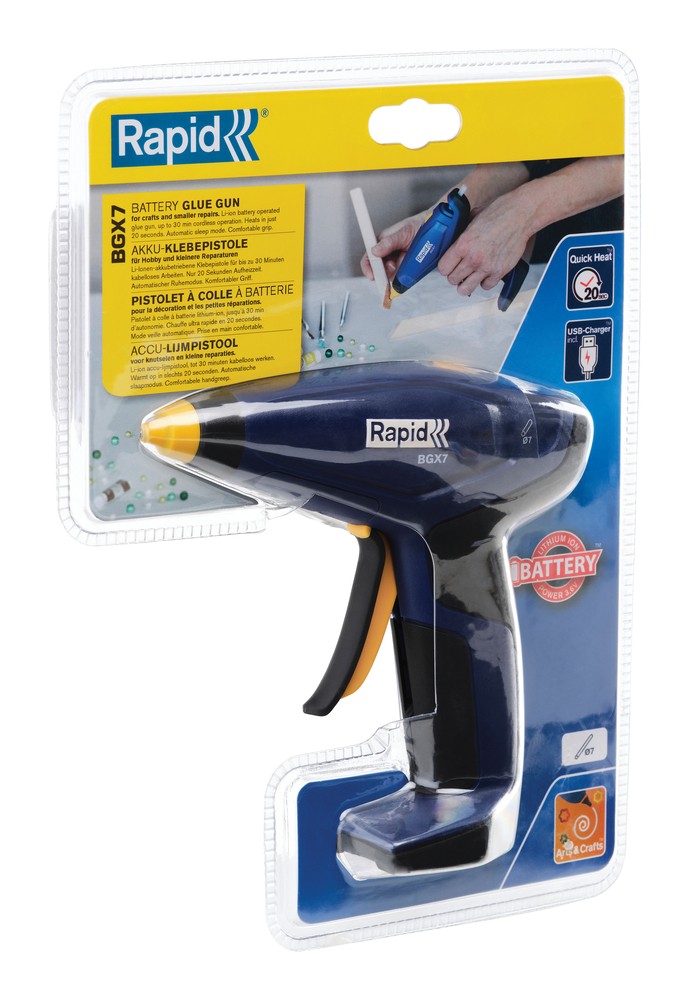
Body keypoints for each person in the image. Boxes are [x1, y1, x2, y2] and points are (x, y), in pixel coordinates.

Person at [361, 157, 624, 296]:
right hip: (554, 254)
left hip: (617, 240)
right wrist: (430, 222)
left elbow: (637, 152)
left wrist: (521, 211)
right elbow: (530, 148)